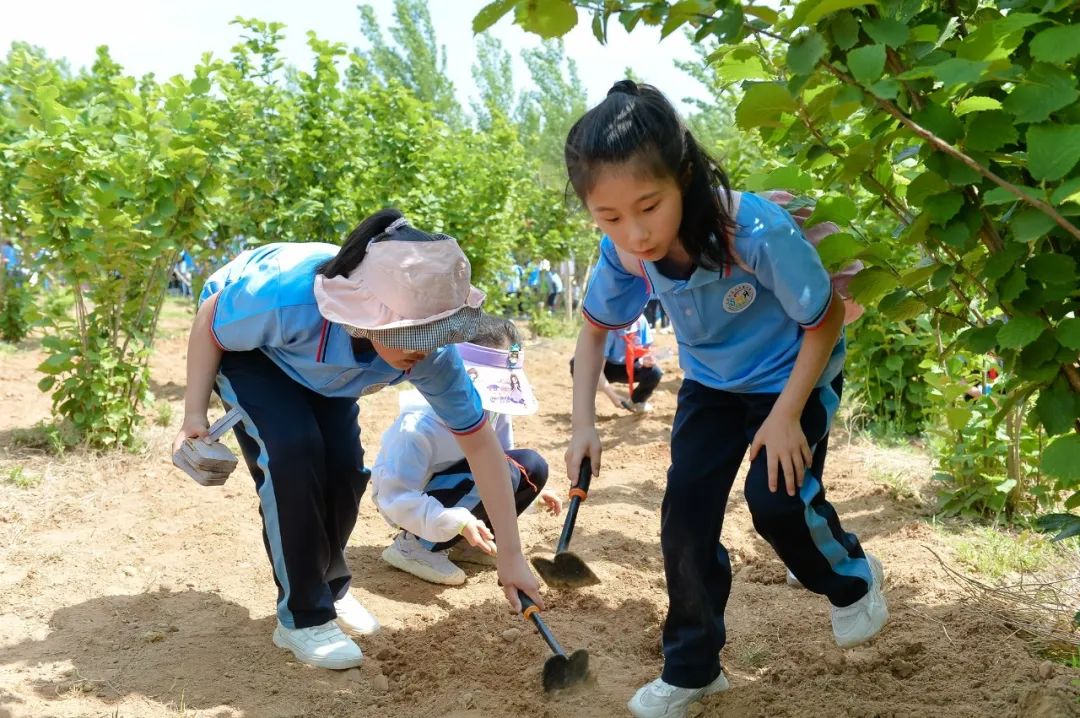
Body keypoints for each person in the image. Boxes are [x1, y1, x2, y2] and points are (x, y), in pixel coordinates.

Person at [562, 81, 887, 718]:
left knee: (776, 504)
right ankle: (693, 669)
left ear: (684, 175)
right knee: (684, 520)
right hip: (711, 386)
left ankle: (852, 578)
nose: (636, 232)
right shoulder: (627, 253)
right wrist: (582, 426)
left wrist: (787, 415)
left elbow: (823, 322)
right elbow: (595, 330)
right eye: (610, 217)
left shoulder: (755, 230)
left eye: (649, 206)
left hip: (797, 373)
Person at [172, 210, 542, 671]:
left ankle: (331, 589)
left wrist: (512, 556)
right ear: (369, 315)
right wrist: (193, 412)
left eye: (432, 337)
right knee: (294, 451)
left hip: (327, 375)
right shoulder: (290, 300)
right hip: (256, 353)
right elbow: (211, 319)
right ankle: (303, 619)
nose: (421, 352)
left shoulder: (426, 353)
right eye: (409, 337)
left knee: (346, 469)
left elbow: (483, 447)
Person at [371, 315, 562, 585]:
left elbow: (504, 458)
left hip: (463, 486)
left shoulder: (494, 408)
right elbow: (395, 496)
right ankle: (413, 546)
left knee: (530, 466)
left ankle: (461, 544)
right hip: (414, 503)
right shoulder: (418, 427)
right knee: (508, 469)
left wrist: (527, 492)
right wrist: (451, 520)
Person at [569, 312, 663, 414]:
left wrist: (646, 359)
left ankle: (638, 401)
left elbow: (646, 349)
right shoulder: (608, 328)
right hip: (606, 367)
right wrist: (613, 396)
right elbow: (597, 370)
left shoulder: (641, 321)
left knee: (654, 372)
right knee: (578, 364)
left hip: (630, 365)